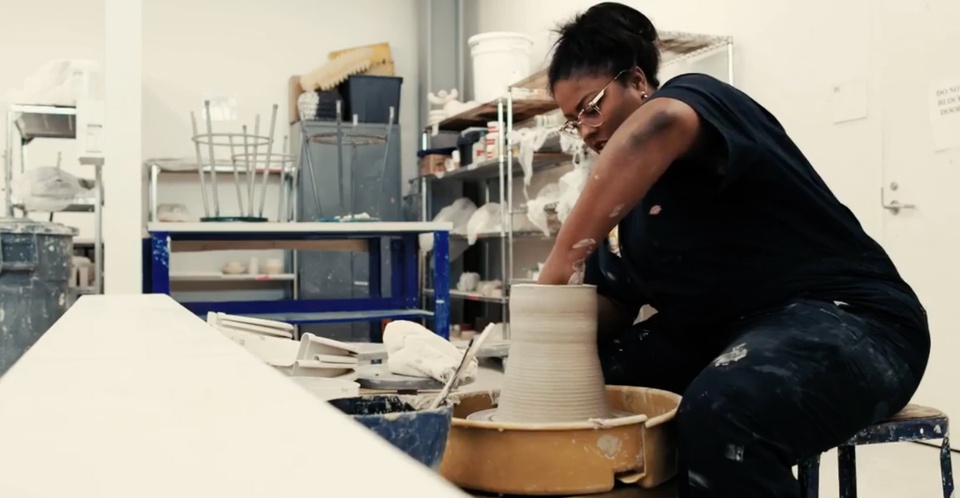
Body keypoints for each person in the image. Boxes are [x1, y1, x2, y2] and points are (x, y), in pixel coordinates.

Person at [536, 3, 930, 497]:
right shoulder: (628, 218)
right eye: (573, 120)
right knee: (588, 382)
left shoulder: (697, 102)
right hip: (724, 335)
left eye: (593, 106)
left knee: (725, 412)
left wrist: (556, 269)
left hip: (852, 320)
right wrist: (542, 334)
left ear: (637, 80)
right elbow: (612, 302)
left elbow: (652, 130)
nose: (588, 128)